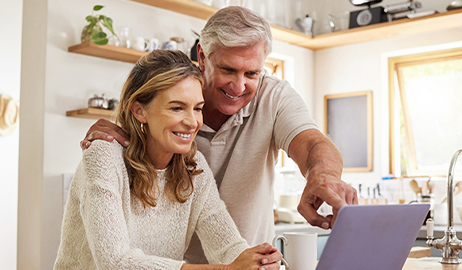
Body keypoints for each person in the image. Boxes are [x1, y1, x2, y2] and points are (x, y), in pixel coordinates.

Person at [81, 6, 357, 264]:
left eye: (252, 73)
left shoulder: (194, 162)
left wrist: (323, 177)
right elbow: (116, 261)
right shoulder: (121, 146)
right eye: (228, 69)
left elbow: (312, 144)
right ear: (202, 56)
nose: (239, 86)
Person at [54, 50, 282, 269]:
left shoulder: (193, 167)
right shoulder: (104, 157)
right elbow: (116, 263)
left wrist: (257, 261)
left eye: (197, 108)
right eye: (177, 108)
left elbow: (228, 247)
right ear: (139, 111)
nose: (193, 122)